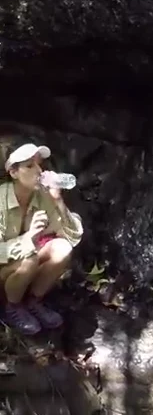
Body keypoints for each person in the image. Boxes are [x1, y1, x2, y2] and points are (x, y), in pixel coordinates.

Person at [0, 142, 84, 335]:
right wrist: (28, 239)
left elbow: (73, 235)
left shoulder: (42, 196)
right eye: (30, 166)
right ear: (14, 173)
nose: (39, 170)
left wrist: (57, 200)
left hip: (23, 266)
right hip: (6, 269)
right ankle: (10, 308)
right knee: (29, 258)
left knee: (62, 248)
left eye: (39, 164)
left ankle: (32, 302)